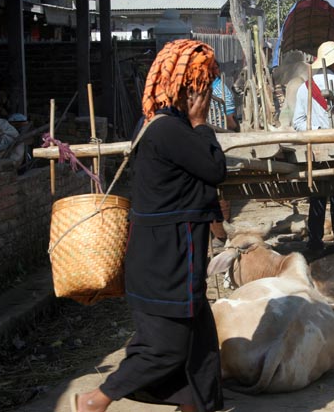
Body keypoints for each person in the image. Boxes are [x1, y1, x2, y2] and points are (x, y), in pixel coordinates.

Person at [72, 39, 226, 412]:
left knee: (201, 344)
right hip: (166, 261)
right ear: (188, 87)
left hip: (165, 256)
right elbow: (214, 169)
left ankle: (193, 407)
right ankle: (96, 399)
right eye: (204, 86)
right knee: (166, 348)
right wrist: (203, 124)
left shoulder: (161, 125)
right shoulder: (171, 131)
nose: (207, 95)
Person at [292, 41, 334, 250]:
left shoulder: (305, 87)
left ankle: (315, 242)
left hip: (316, 150)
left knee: (317, 196)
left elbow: (298, 122)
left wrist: (316, 131)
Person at [209, 62, 239, 249]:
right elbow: (230, 123)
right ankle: (220, 233)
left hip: (207, 144)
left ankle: (218, 233)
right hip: (220, 143)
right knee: (221, 188)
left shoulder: (195, 89)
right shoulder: (223, 90)